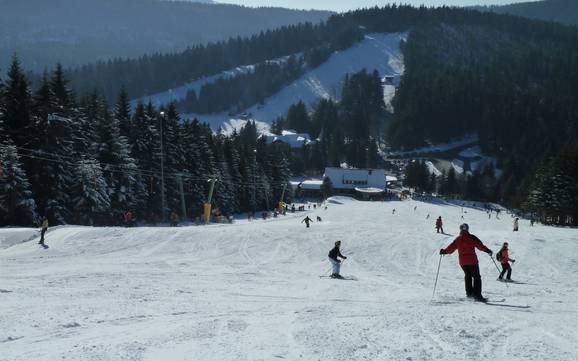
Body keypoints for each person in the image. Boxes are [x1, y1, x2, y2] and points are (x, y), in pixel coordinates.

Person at [440, 223, 493, 302]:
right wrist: (487, 250)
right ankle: (477, 295)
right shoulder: (472, 237)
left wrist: (444, 251)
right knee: (476, 277)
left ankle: (469, 294)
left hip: (463, 262)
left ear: (460, 229)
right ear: (467, 229)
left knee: (468, 276)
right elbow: (480, 246)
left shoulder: (458, 239)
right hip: (472, 261)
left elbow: (451, 248)